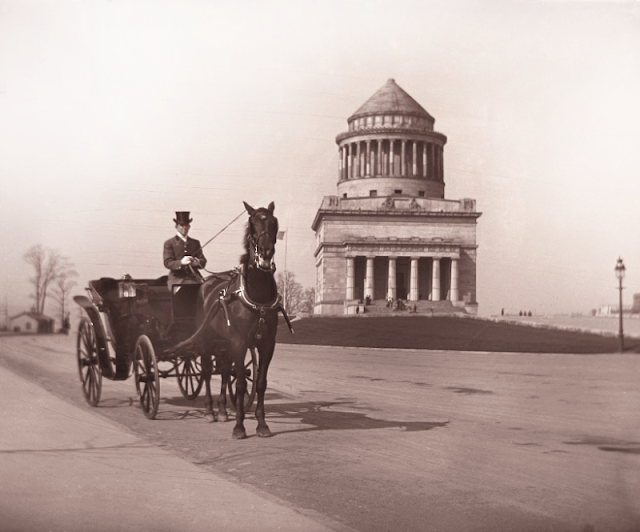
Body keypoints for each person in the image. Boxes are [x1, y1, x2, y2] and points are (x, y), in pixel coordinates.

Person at [163, 211, 207, 292]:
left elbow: (203, 261)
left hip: (195, 279)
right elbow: (167, 263)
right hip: (177, 280)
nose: (184, 227)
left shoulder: (195, 242)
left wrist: (197, 262)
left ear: (189, 227)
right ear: (176, 226)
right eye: (181, 225)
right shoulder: (169, 243)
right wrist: (181, 262)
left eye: (186, 225)